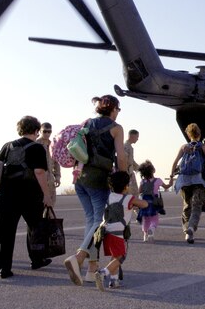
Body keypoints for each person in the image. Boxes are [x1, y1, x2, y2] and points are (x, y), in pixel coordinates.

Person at [64, 95, 128, 286]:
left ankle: (92, 270)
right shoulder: (116, 128)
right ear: (114, 109)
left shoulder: (88, 123)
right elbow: (121, 157)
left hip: (81, 178)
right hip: (98, 179)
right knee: (100, 223)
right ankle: (79, 257)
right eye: (118, 109)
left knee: (91, 221)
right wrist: (123, 179)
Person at [0, 115, 54, 279]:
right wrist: (47, 195)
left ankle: (3, 266)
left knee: (5, 230)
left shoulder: (8, 146)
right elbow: (39, 172)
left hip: (7, 193)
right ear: (36, 130)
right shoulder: (37, 148)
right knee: (35, 227)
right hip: (30, 193)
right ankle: (37, 259)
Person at [94, 171, 148, 291]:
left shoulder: (110, 196)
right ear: (126, 186)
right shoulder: (128, 198)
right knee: (121, 257)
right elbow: (143, 204)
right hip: (117, 234)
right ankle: (103, 273)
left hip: (106, 232)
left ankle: (114, 281)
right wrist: (146, 201)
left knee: (114, 257)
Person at [169, 123, 205, 244]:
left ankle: (187, 230)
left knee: (187, 205)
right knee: (197, 206)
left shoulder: (184, 147)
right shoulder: (204, 147)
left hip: (185, 180)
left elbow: (175, 162)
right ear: (199, 134)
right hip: (199, 181)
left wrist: (171, 177)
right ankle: (191, 226)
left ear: (188, 134)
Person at [136, 160, 172, 242]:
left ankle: (145, 235)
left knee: (145, 219)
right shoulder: (158, 180)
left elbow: (139, 191)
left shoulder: (142, 181)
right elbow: (166, 187)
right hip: (154, 203)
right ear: (152, 171)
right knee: (154, 219)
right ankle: (151, 229)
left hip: (144, 203)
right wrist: (171, 182)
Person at [36, 122, 62, 207]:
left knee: (50, 206)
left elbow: (56, 162)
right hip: (38, 179)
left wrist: (57, 177)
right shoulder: (35, 144)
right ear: (40, 131)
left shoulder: (53, 145)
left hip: (50, 179)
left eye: (49, 131)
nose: (47, 134)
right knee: (37, 206)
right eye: (45, 131)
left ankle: (48, 220)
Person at [123, 129, 141, 195]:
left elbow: (131, 161)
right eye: (137, 137)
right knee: (132, 193)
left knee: (134, 192)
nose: (137, 139)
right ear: (132, 136)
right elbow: (126, 160)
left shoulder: (129, 146)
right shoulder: (126, 146)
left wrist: (140, 168)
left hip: (130, 172)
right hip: (128, 173)